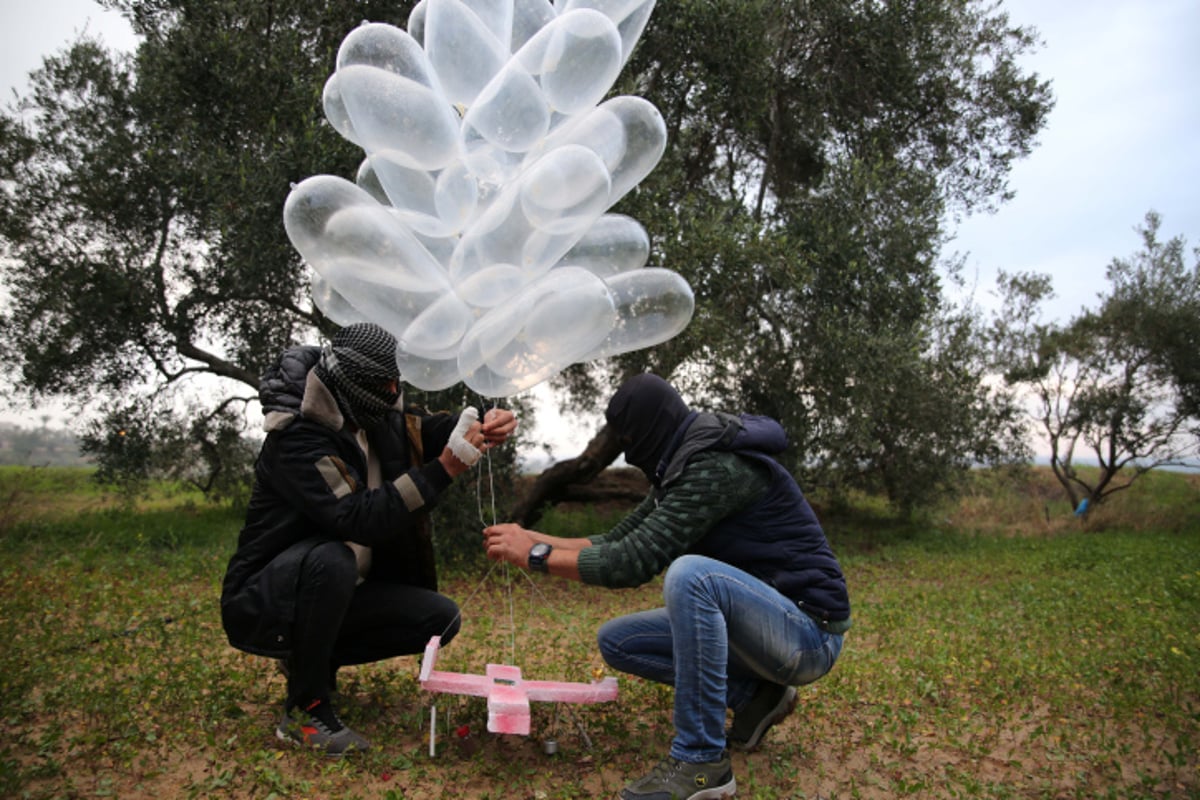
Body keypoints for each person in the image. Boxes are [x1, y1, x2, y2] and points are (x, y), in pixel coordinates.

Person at [483, 373, 849, 800]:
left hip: (808, 634)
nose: (626, 450)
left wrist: (536, 557)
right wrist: (532, 539)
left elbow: (631, 562)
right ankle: (755, 698)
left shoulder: (714, 469)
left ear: (647, 429)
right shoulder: (681, 463)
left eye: (626, 437)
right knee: (619, 641)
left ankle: (701, 761)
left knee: (692, 576)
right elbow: (618, 539)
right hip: (768, 629)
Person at [220, 322, 517, 756]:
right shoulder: (297, 438)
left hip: (337, 594)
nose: (394, 392)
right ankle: (306, 709)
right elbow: (357, 517)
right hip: (268, 597)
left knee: (439, 618)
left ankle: (313, 663)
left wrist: (482, 423)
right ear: (351, 384)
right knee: (332, 559)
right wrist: (446, 468)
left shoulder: (373, 413)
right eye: (385, 385)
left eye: (397, 381)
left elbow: (424, 430)